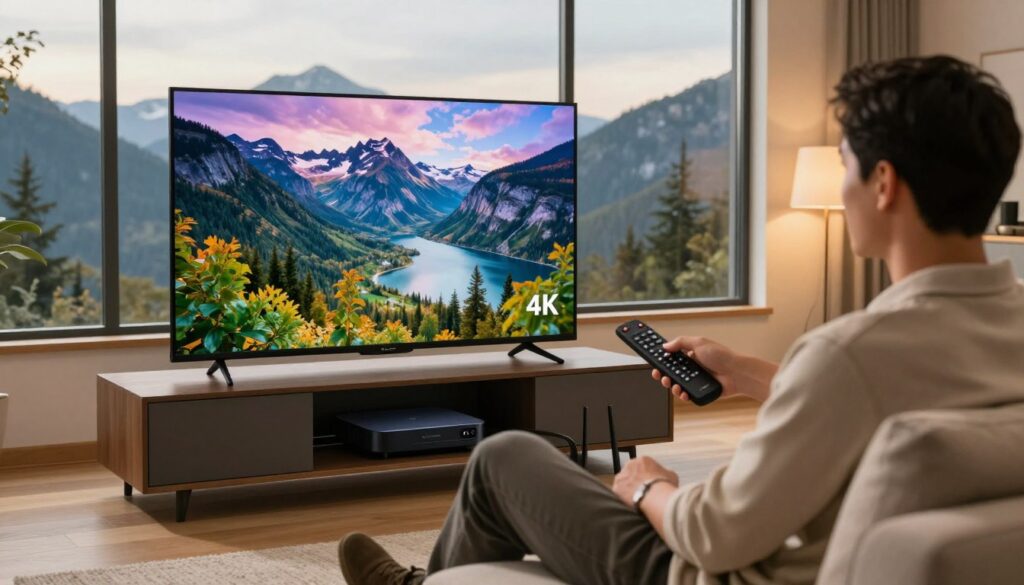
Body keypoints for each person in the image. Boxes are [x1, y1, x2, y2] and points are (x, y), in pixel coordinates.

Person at [337, 55, 1024, 585]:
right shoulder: (995, 325)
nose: (842, 190)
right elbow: (901, 391)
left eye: (843, 165)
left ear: (882, 183)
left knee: (503, 455)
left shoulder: (850, 354)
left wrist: (649, 486)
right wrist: (753, 373)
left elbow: (714, 531)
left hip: (704, 571)